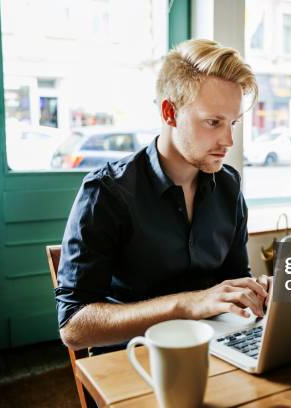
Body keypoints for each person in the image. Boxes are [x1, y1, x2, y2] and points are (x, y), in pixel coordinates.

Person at [55, 39, 270, 352]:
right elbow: (74, 327)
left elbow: (234, 280)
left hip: (217, 349)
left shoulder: (228, 186)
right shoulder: (106, 192)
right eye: (214, 122)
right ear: (170, 112)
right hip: (134, 357)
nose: (229, 140)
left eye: (233, 122)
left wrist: (256, 292)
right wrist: (187, 304)